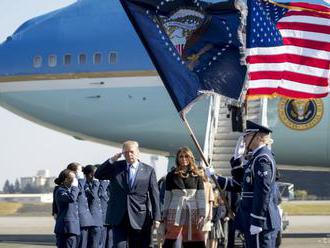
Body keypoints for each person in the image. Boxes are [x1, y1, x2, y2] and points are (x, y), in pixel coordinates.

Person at [205, 120, 281, 248]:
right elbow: (240, 185)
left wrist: (257, 220)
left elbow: (263, 192)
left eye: (247, 136)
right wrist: (215, 177)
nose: (244, 139)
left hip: (260, 220)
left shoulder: (262, 159)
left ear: (257, 137)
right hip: (253, 218)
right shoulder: (256, 158)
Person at [94, 140, 161, 248]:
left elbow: (155, 195)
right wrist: (111, 160)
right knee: (119, 246)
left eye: (131, 152)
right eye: (125, 152)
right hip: (119, 216)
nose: (129, 155)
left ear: (138, 152)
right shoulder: (116, 167)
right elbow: (98, 174)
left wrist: (157, 218)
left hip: (140, 217)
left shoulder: (148, 170)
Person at [162, 147, 206, 248]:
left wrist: (202, 214)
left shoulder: (197, 175)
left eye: (186, 156)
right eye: (181, 156)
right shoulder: (171, 175)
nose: (184, 159)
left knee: (194, 237)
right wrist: (164, 213)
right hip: (175, 210)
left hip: (193, 210)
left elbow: (201, 197)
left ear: (191, 158)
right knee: (171, 237)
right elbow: (168, 196)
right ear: (177, 159)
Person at [67, 162, 94, 248]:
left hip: (84, 219)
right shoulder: (72, 183)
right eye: (79, 171)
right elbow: (78, 192)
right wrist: (81, 180)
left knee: (83, 244)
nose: (82, 173)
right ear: (73, 172)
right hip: (78, 219)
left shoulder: (81, 182)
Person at [54, 169, 80, 248]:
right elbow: (71, 198)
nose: (74, 180)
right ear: (65, 179)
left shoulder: (71, 190)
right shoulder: (60, 191)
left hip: (73, 228)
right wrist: (75, 186)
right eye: (72, 178)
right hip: (66, 228)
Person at [83, 165, 103, 248]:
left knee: (100, 244)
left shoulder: (97, 184)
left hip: (100, 220)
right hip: (93, 220)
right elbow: (93, 196)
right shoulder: (85, 185)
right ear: (91, 175)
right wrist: (95, 182)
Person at [200, 169, 214, 246]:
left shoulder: (208, 184)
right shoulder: (194, 184)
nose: (200, 173)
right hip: (196, 209)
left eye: (201, 172)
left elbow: (211, 200)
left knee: (205, 233)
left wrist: (210, 213)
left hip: (206, 209)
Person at [98, 178, 112, 248]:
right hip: (103, 218)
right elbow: (101, 193)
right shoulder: (101, 184)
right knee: (102, 242)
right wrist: (104, 182)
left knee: (110, 241)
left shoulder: (112, 184)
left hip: (112, 218)